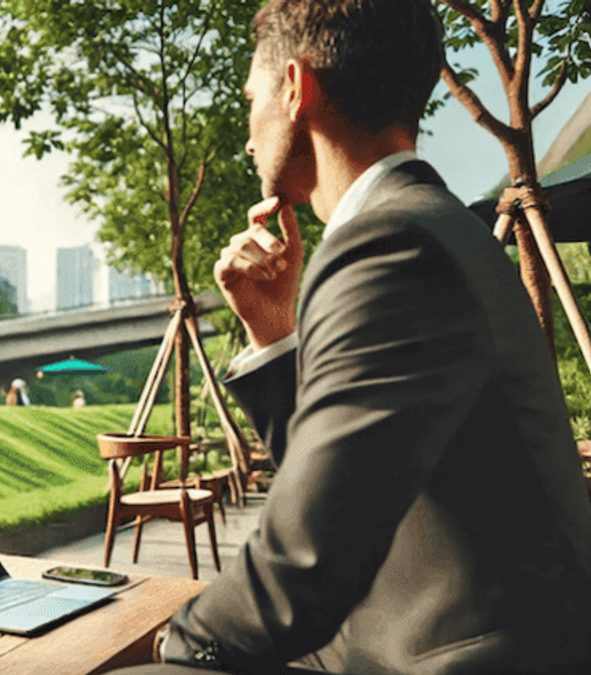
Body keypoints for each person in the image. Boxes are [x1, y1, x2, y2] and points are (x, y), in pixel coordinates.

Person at [114, 1, 591, 674]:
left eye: (251, 100)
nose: (248, 138)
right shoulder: (428, 224)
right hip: (390, 634)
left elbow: (304, 563)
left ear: (294, 86)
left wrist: (179, 640)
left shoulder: (391, 241)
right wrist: (276, 333)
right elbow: (334, 495)